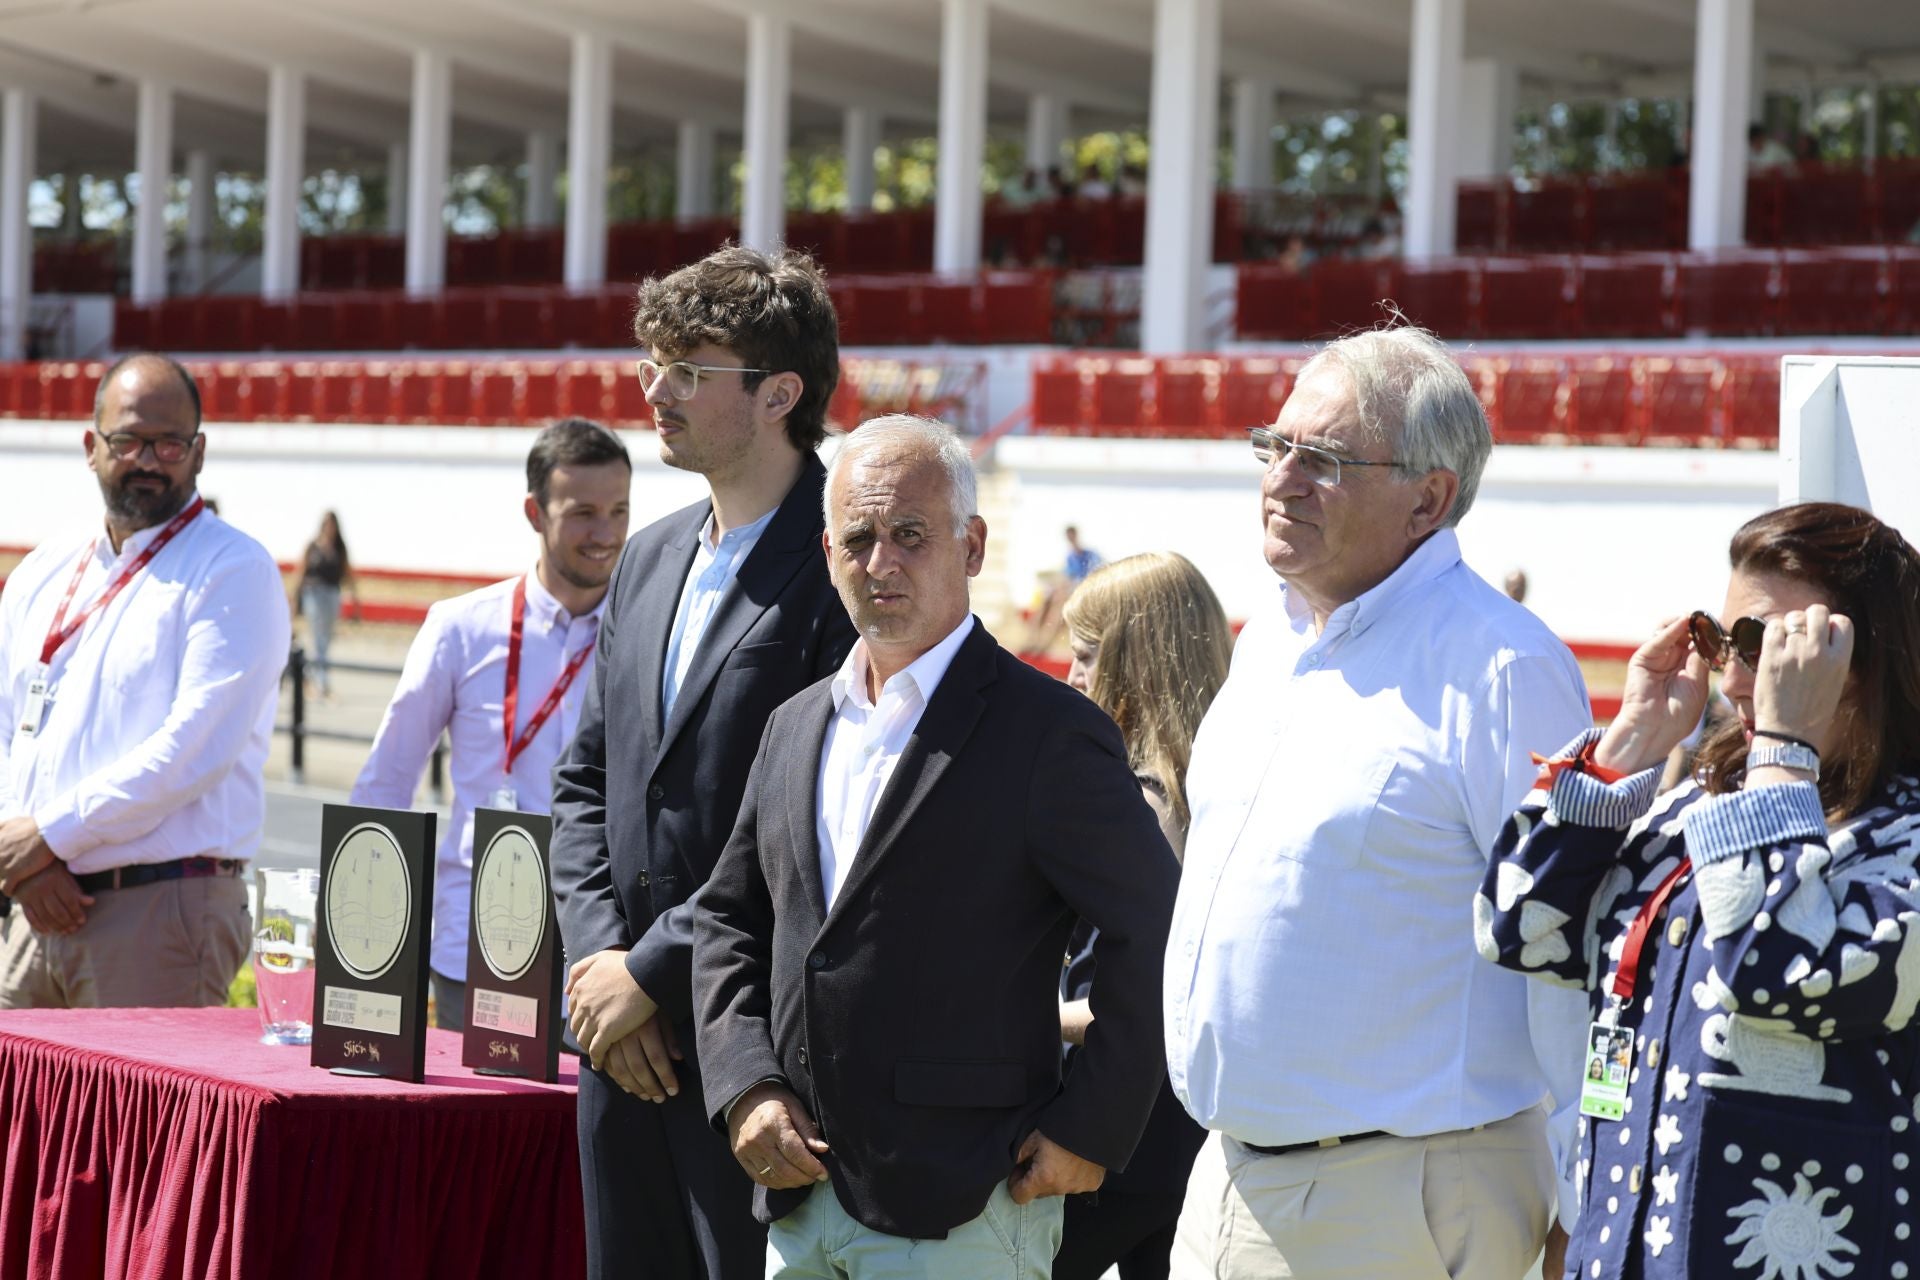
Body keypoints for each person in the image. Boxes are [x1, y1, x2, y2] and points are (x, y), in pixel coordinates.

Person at [692, 415, 1176, 1280]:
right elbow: (729, 919)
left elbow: (1160, 933)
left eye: (911, 535)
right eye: (859, 538)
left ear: (973, 544)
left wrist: (1091, 1127)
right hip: (801, 1207)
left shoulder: (1052, 734)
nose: (882, 563)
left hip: (969, 1210)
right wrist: (744, 1086)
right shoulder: (795, 725)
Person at [1162, 325, 1594, 1279]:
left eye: (1321, 459)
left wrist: (1582, 1196)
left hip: (1406, 1198)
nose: (1281, 478)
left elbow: (1570, 953)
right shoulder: (1270, 642)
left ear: (1428, 498)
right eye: (1273, 446)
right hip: (1230, 1179)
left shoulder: (1501, 666)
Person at [1476, 501, 1920, 1280]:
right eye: (1724, 642)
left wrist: (1785, 752)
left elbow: (1776, 969)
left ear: (1868, 660)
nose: (1740, 677)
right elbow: (1517, 925)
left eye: (1774, 646)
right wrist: (1632, 741)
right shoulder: (1700, 810)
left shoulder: (1903, 844)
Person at [551, 245, 857, 1280]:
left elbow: (820, 823)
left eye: (689, 368)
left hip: (754, 1055)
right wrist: (602, 969)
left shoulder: (847, 567)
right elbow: (586, 781)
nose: (655, 388)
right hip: (616, 1046)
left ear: (779, 393)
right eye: (654, 361)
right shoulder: (648, 551)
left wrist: (652, 971)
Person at [0, 353, 289, 1008]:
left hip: (160, 909)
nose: (149, 460)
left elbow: (192, 751)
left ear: (199, 451)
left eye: (170, 443)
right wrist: (21, 853)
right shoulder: (44, 571)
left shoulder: (231, 570)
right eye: (128, 440)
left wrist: (45, 836)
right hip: (34, 904)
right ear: (91, 446)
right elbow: (5, 723)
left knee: (133, 1117)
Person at [350, 419, 631, 1031]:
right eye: (583, 512)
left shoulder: (650, 636)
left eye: (619, 510)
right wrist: (362, 949)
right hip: (476, 944)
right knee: (478, 1128)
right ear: (535, 512)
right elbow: (385, 786)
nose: (605, 533)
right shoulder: (459, 628)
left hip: (610, 953)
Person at [1054, 552, 1230, 1280]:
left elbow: (1133, 1007)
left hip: (1120, 1134)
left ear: (1138, 663)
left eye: (1088, 657)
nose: (1072, 676)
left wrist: (1020, 1014)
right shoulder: (1216, 790)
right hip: (1188, 1139)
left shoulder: (1140, 803)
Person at [297, 510, 356, 698]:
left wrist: (355, 599)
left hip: (332, 594)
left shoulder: (339, 548)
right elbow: (301, 572)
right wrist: (293, 598)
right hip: (313, 593)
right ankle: (322, 682)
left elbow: (348, 574)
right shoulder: (313, 546)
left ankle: (314, 676)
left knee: (326, 638)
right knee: (318, 638)